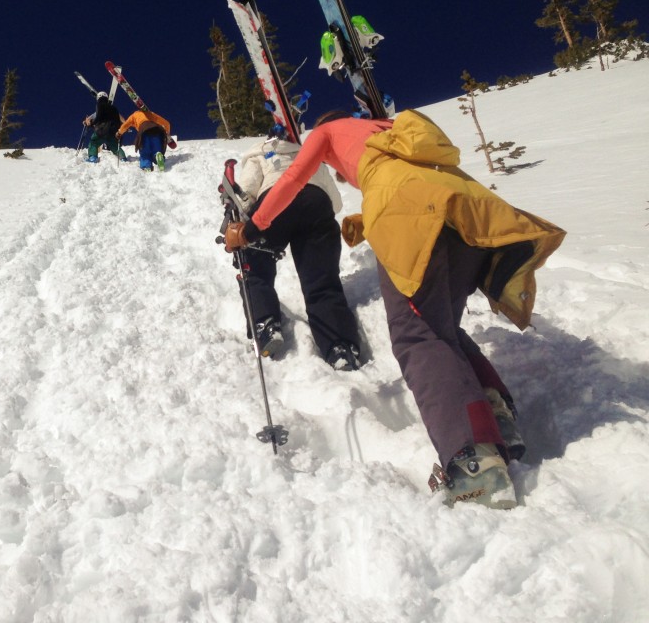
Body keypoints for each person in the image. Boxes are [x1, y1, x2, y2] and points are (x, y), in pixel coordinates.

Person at [224, 108, 565, 509]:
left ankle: (473, 460)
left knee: (417, 334)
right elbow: (407, 183)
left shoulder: (327, 131)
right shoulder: (390, 131)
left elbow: (296, 178)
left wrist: (250, 228)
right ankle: (497, 421)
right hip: (464, 205)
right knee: (443, 329)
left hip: (409, 212)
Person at [230, 122, 362, 369]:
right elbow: (335, 202)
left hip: (275, 201)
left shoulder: (259, 152)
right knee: (322, 280)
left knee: (255, 265)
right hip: (317, 204)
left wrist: (241, 219)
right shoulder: (308, 153)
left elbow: (247, 192)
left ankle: (265, 323)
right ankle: (340, 346)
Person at [116, 107, 171, 171]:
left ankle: (146, 166)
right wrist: (167, 132)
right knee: (157, 149)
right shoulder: (150, 114)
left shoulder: (134, 116)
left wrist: (119, 133)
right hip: (157, 131)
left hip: (144, 131)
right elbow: (166, 123)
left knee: (145, 152)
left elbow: (125, 125)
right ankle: (157, 155)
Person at [83, 92, 126, 163]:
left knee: (93, 142)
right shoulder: (114, 108)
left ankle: (93, 158)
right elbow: (118, 120)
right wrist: (119, 130)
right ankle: (123, 158)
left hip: (101, 130)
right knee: (115, 146)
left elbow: (98, 116)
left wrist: (92, 123)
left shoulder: (99, 105)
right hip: (113, 131)